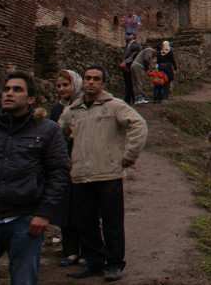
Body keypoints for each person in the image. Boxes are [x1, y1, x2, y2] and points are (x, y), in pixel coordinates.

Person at [59, 65, 148, 282]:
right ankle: (93, 261)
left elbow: (139, 125)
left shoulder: (114, 106)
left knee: (112, 222)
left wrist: (130, 154)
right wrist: (64, 156)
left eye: (96, 79)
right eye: (88, 78)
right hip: (81, 174)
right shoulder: (73, 110)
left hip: (108, 173)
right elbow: (57, 132)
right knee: (86, 222)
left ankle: (115, 263)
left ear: (102, 83)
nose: (91, 82)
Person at [0, 70, 70, 285]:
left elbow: (58, 173)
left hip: (25, 220)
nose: (9, 94)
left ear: (30, 99)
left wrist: (44, 213)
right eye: (6, 89)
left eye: (17, 89)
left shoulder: (48, 130)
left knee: (23, 280)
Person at [49, 70, 82, 268]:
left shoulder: (85, 106)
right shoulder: (56, 109)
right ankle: (70, 251)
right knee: (65, 208)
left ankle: (87, 249)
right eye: (59, 86)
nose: (61, 89)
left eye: (65, 85)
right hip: (61, 162)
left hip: (82, 162)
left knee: (83, 207)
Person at [119, 36, 141, 104]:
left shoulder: (136, 45)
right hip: (126, 65)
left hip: (131, 64)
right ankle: (129, 98)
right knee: (127, 82)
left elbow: (135, 55)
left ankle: (132, 98)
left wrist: (126, 62)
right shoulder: (127, 45)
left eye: (129, 34)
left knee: (132, 82)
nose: (127, 36)